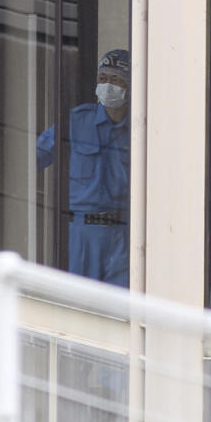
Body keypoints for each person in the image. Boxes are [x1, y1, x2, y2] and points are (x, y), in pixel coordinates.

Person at [36, 49, 131, 287]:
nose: (108, 85)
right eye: (102, 79)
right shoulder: (77, 121)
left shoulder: (142, 128)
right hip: (83, 233)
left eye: (116, 80)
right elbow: (31, 160)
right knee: (81, 307)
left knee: (122, 308)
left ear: (130, 86)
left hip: (125, 232)